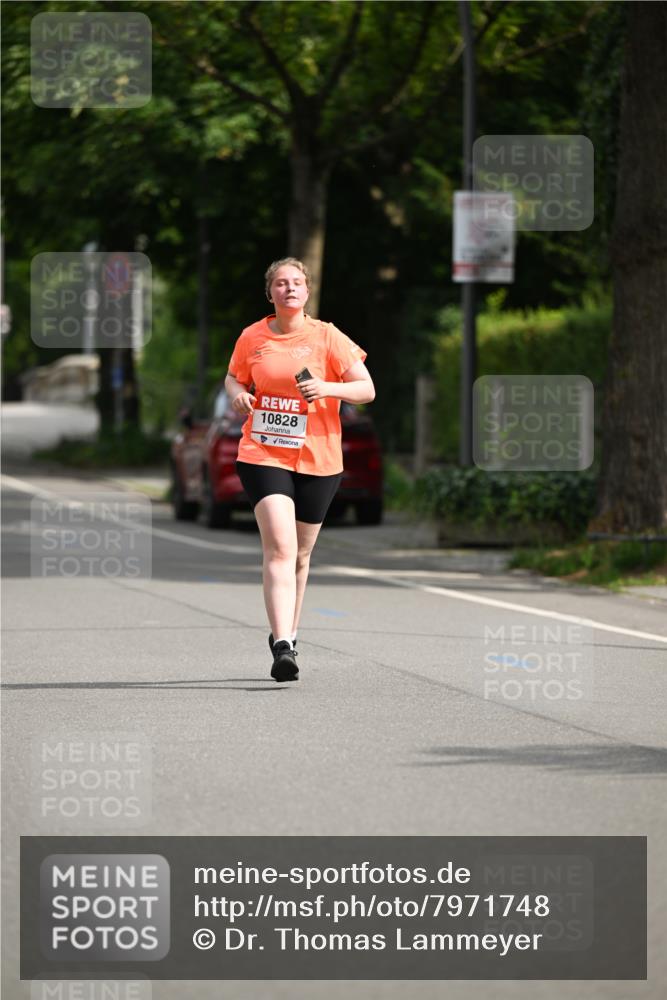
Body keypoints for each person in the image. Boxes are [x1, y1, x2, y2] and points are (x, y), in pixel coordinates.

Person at [224, 257, 375, 683]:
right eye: (280, 284)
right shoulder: (252, 336)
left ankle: (290, 630)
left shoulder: (327, 336)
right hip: (263, 452)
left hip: (319, 458)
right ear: (269, 293)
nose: (289, 289)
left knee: (302, 555)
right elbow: (233, 378)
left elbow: (367, 389)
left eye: (296, 283)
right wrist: (237, 395)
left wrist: (328, 387)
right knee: (280, 548)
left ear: (306, 292)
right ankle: (282, 644)